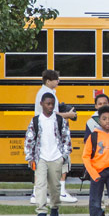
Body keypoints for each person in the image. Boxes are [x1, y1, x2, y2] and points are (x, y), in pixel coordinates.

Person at [32, 69, 79, 204]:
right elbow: (51, 113)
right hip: (51, 132)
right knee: (61, 160)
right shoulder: (46, 94)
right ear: (48, 81)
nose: (58, 81)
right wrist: (68, 115)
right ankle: (61, 192)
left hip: (46, 132)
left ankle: (37, 193)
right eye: (56, 79)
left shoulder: (46, 93)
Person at [24, 93, 72, 216]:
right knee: (40, 184)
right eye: (48, 104)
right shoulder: (36, 120)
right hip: (40, 157)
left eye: (52, 104)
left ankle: (55, 206)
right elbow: (29, 140)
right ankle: (41, 210)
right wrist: (30, 157)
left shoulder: (60, 120)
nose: (50, 106)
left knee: (55, 186)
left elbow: (66, 138)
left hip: (56, 156)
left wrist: (64, 156)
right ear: (41, 104)